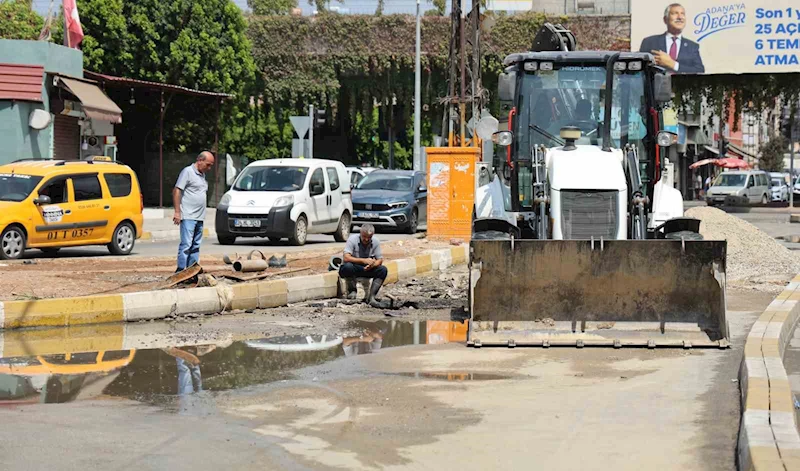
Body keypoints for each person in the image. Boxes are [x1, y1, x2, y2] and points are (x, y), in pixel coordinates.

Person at [173, 151, 215, 272]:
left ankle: (192, 271)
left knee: (196, 245)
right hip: (188, 215)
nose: (209, 168)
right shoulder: (188, 172)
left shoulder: (202, 175)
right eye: (208, 164)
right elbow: (177, 190)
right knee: (186, 245)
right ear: (200, 160)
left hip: (199, 217)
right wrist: (177, 212)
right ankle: (181, 270)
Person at [639, 4, 705, 74]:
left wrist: (673, 64)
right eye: (675, 13)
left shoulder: (692, 46)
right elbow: (640, 69)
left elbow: (699, 70)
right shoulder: (650, 42)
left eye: (682, 14)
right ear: (665, 19)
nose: (680, 17)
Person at [339, 224, 388, 307]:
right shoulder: (352, 239)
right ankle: (352, 291)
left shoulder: (375, 241)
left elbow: (380, 259)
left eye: (369, 237)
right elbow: (346, 257)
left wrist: (373, 265)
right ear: (360, 233)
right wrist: (363, 260)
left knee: (383, 270)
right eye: (364, 236)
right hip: (354, 267)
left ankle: (372, 297)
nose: (366, 239)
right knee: (347, 267)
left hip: (366, 269)